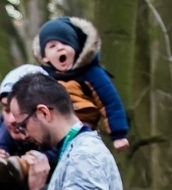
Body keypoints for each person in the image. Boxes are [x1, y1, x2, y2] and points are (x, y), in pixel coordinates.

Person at [35, 17, 129, 149]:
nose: (60, 48)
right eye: (52, 46)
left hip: (83, 131)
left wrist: (118, 134)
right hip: (52, 134)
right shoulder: (42, 77)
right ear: (45, 56)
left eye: (65, 43)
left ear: (76, 47)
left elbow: (110, 101)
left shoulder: (91, 73)